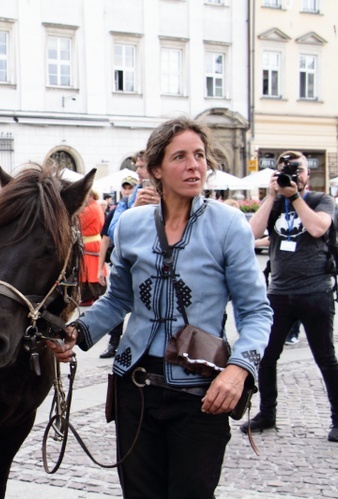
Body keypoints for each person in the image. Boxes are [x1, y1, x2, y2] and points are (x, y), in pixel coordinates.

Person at [51, 117, 272, 498]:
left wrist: (238, 372)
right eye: (181, 157)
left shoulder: (230, 225)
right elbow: (119, 299)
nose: (194, 165)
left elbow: (256, 312)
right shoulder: (130, 225)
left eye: (200, 155)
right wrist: (76, 332)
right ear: (156, 169)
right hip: (135, 389)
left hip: (202, 391)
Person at [243, 150, 338, 442]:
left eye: (298, 169)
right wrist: (270, 196)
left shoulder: (320, 200)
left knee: (325, 357)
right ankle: (267, 413)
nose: (294, 175)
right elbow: (251, 233)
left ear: (307, 175)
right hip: (278, 292)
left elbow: (317, 228)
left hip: (315, 291)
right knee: (267, 358)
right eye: (287, 170)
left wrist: (294, 197)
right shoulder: (275, 203)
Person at [95, 177, 137, 359]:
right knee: (117, 300)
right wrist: (99, 269)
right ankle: (113, 343)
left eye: (131, 188)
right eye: (125, 188)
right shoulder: (116, 212)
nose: (128, 191)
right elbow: (105, 241)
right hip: (118, 264)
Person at [107, 150, 160, 243]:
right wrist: (134, 209)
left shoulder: (171, 194)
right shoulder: (127, 201)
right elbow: (113, 233)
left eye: (142, 167)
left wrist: (163, 206)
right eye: (137, 167)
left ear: (156, 168)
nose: (137, 171)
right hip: (135, 254)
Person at [78, 190, 105, 306]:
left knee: (87, 272)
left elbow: (78, 222)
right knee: (92, 271)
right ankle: (93, 295)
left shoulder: (90, 209)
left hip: (89, 243)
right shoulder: (95, 206)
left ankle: (88, 296)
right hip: (93, 242)